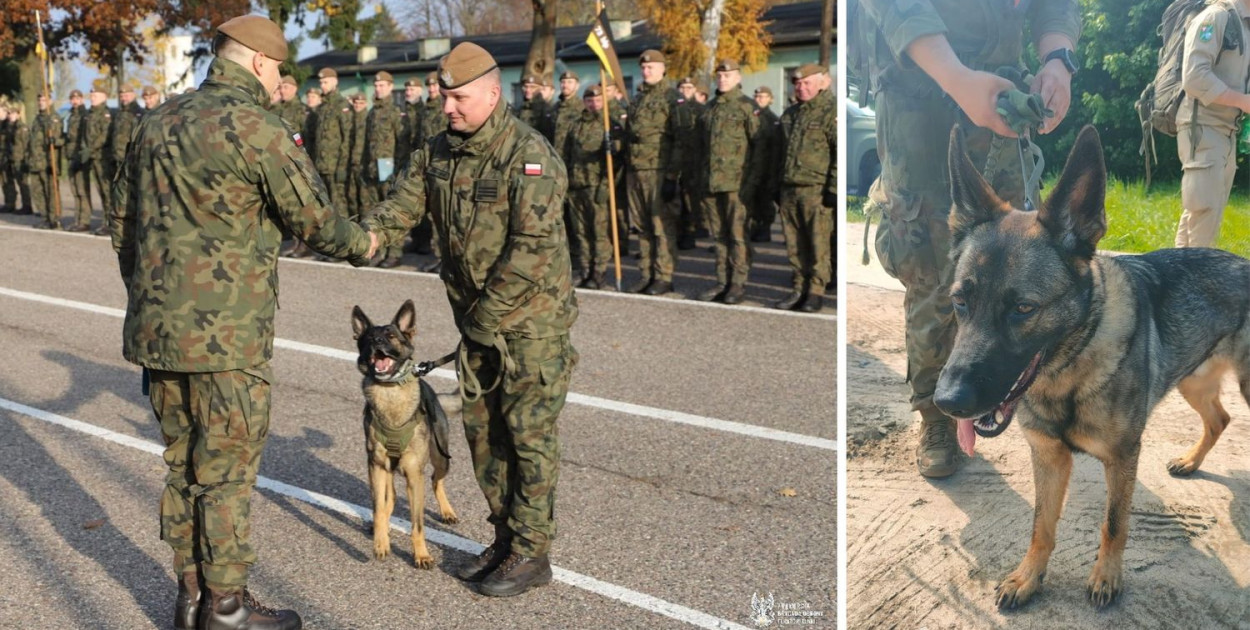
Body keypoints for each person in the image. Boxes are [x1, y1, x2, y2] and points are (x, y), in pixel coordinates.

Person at [110, 15, 377, 630]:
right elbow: (316, 222)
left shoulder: (156, 121)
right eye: (279, 68)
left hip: (159, 334)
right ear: (258, 61)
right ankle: (227, 608)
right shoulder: (261, 130)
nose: (281, 79)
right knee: (225, 474)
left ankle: (191, 596)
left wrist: (151, 299)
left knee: (183, 465)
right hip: (228, 340)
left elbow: (122, 222)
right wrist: (365, 243)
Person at [361, 41, 578, 598]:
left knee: (527, 438)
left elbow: (532, 249)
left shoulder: (527, 154)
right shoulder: (437, 152)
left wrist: (483, 319)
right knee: (484, 435)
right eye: (443, 96)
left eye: (458, 97)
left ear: (491, 92)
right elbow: (401, 206)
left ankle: (532, 552)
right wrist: (365, 234)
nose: (448, 107)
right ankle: (505, 538)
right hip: (478, 326)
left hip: (529, 327)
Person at [858, 0, 1080, 477]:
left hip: (1002, 108)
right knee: (934, 274)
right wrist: (957, 78)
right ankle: (938, 416)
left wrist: (1058, 62)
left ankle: (1006, 392)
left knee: (1016, 276)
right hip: (923, 111)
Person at [1173, 0, 1250, 248]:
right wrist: (1243, 101)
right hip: (1203, 126)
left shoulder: (1244, 25)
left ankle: (1176, 284)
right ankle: (1199, 287)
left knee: (1199, 215)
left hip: (1226, 130)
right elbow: (1194, 77)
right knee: (1204, 216)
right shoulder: (1215, 17)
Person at [697, 60, 764, 305]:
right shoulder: (710, 108)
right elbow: (700, 148)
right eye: (720, 75)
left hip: (737, 185)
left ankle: (738, 282)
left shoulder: (747, 107)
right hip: (712, 184)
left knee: (737, 236)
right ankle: (722, 281)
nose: (723, 79)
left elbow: (759, 149)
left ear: (738, 77)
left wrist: (752, 184)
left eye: (728, 75)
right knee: (719, 236)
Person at [776, 64, 836, 313]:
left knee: (817, 243)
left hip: (816, 190)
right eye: (797, 84)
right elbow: (778, 154)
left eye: (807, 83)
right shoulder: (790, 115)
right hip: (789, 188)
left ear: (824, 82)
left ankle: (816, 291)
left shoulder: (831, 112)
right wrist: (774, 184)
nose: (801, 87)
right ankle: (799, 287)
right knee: (794, 243)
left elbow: (838, 152)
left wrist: (833, 186)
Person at [625, 49, 683, 295]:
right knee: (642, 226)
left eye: (651, 68)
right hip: (636, 170)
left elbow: (681, 139)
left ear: (662, 69)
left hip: (658, 171)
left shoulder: (672, 98)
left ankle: (664, 275)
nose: (646, 71)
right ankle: (646, 274)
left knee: (661, 226)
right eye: (643, 68)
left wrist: (672, 176)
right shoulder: (637, 100)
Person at [563, 83, 622, 290]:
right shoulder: (575, 124)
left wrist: (606, 186)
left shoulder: (609, 124)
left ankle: (599, 273)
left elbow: (616, 162)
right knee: (581, 232)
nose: (594, 104)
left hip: (597, 185)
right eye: (589, 100)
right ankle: (586, 270)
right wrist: (566, 183)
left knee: (599, 233)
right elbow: (567, 154)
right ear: (584, 102)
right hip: (577, 185)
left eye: (598, 100)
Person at [361, 71, 408, 267]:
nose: (378, 89)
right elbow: (367, 142)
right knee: (375, 210)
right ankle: (379, 250)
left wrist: (398, 170)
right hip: (373, 167)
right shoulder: (372, 112)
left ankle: (395, 252)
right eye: (376, 85)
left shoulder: (395, 112)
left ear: (390, 87)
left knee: (390, 211)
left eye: (382, 85)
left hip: (389, 168)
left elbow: (402, 143)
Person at [314, 67, 352, 212]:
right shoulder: (322, 107)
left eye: (325, 82)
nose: (322, 86)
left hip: (335, 166)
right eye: (321, 83)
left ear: (335, 82)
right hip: (321, 165)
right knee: (324, 207)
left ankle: (343, 235)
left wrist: (342, 167)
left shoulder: (341, 105)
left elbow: (347, 138)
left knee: (339, 206)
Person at [749, 85, 783, 243]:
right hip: (750, 166)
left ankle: (765, 228)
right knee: (752, 200)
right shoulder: (750, 116)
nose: (759, 100)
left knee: (764, 200)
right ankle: (755, 227)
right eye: (757, 96)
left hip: (766, 166)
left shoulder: (773, 120)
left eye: (762, 97)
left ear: (770, 99)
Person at [28, 93, 64, 229]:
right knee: (38, 191)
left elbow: (60, 139)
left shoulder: (54, 118)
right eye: (39, 100)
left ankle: (54, 218)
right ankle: (44, 217)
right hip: (36, 161)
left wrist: (54, 141)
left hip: (48, 161)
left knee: (51, 191)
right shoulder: (38, 119)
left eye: (44, 100)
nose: (41, 102)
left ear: (50, 101)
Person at [81, 81, 112, 229]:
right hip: (93, 157)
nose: (92, 98)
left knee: (107, 191)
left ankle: (109, 222)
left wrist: (90, 149)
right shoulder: (89, 114)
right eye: (91, 95)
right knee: (100, 190)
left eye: (95, 95)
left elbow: (104, 135)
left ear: (104, 97)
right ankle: (105, 221)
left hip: (102, 157)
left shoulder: (105, 114)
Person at [65, 89, 92, 228]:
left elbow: (84, 140)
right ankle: (78, 220)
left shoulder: (84, 116)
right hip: (70, 156)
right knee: (75, 191)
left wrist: (81, 157)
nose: (75, 101)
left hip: (80, 157)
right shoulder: (70, 116)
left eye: (77, 98)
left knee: (82, 190)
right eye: (72, 99)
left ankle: (85, 220)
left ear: (82, 100)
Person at [5, 103, 31, 216]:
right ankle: (11, 204)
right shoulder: (10, 127)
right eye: (9, 113)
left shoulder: (22, 128)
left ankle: (27, 206)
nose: (11, 115)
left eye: (13, 113)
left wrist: (26, 160)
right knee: (11, 181)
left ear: (18, 114)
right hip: (12, 158)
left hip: (20, 159)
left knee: (23, 183)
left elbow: (27, 145)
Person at [515, 74, 556, 142]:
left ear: (540, 89)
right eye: (526, 86)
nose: (528, 90)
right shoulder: (520, 109)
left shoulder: (547, 110)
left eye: (532, 87)